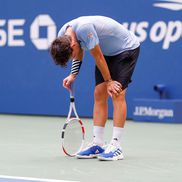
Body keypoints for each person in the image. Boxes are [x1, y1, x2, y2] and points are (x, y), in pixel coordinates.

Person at [50, 16, 140, 161]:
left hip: (125, 49)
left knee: (117, 93)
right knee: (99, 93)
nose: (73, 56)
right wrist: (73, 75)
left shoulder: (85, 28)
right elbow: (78, 51)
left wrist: (109, 81)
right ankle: (98, 143)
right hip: (107, 53)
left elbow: (96, 56)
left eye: (71, 55)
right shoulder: (64, 35)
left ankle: (116, 146)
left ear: (72, 45)